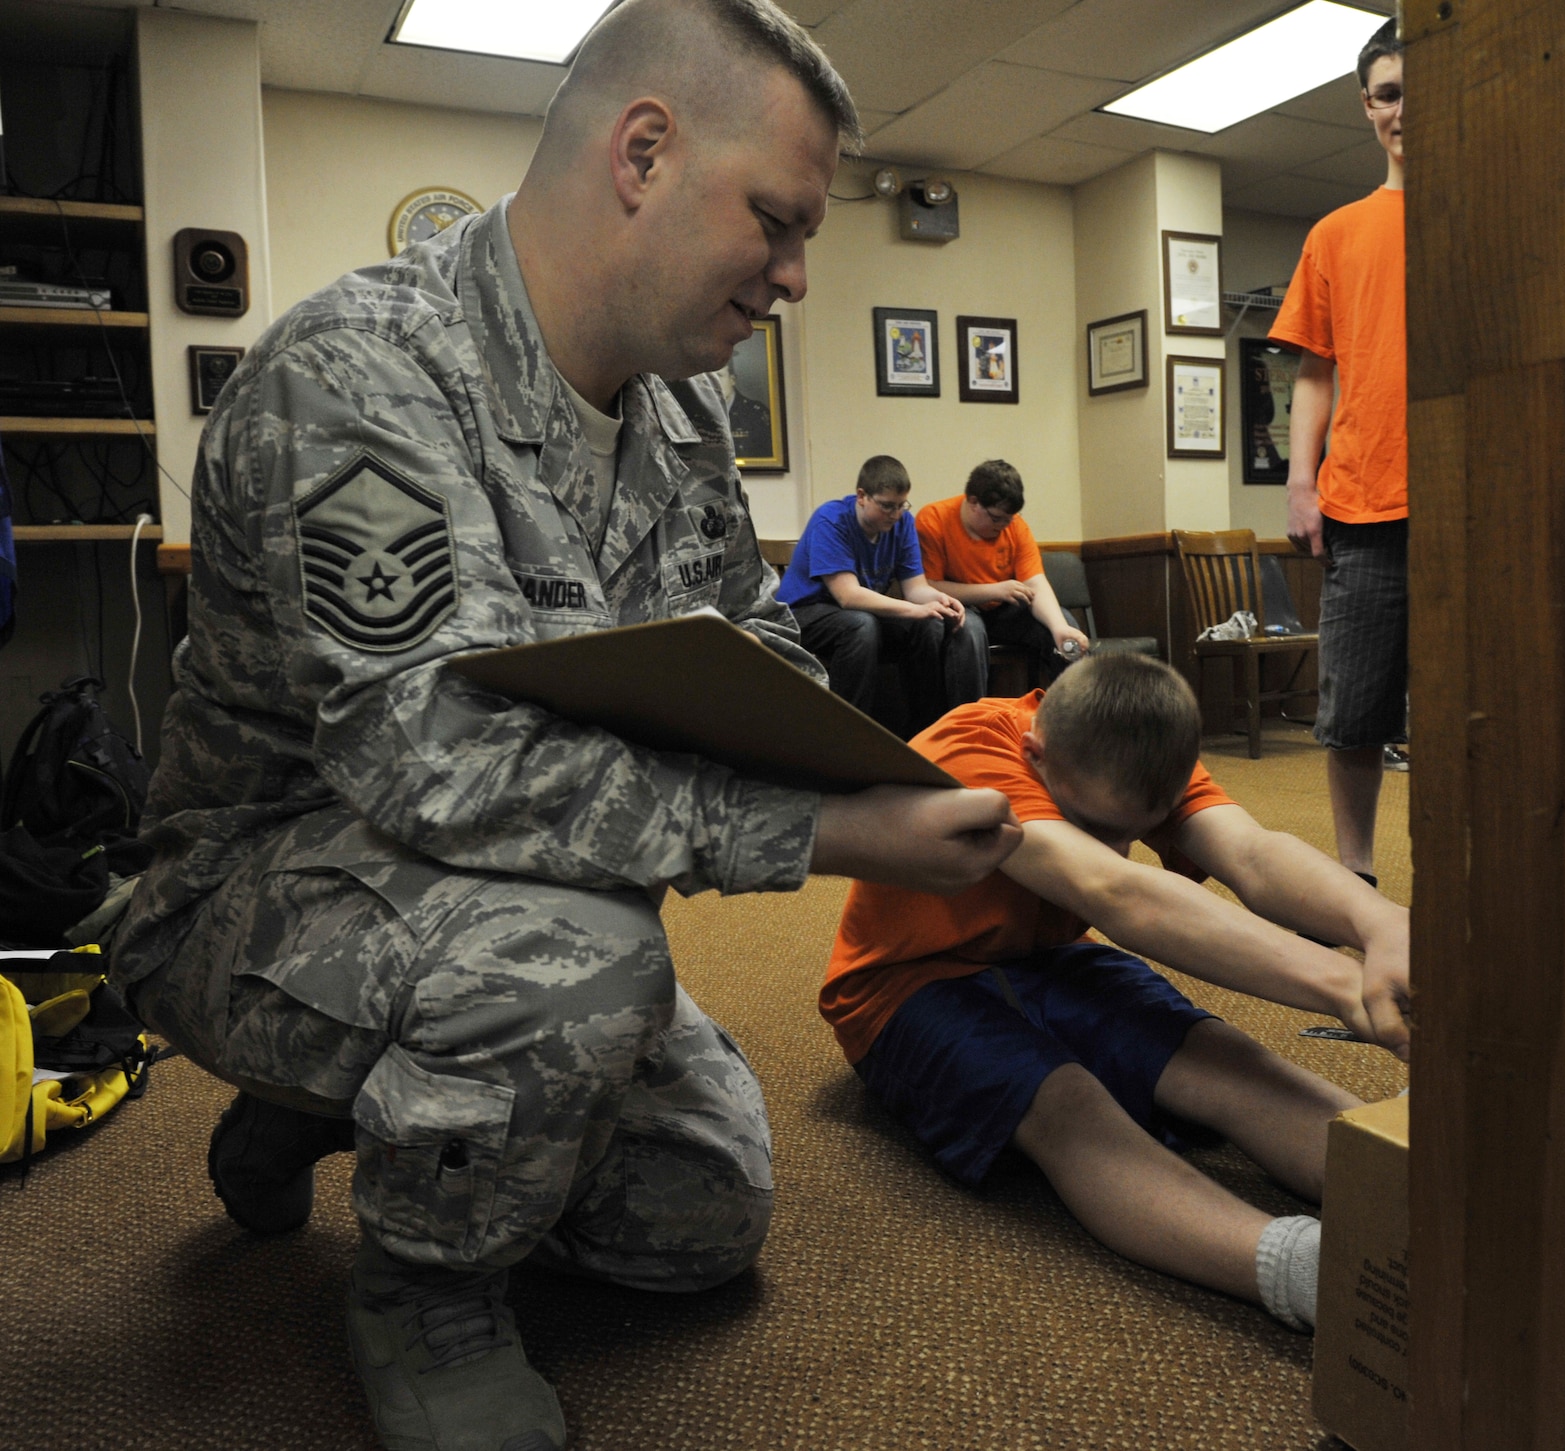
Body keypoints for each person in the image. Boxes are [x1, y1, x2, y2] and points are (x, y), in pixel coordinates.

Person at [108, 6, 1022, 1450]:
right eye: (778, 222)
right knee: (580, 969)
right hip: (264, 876)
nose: (794, 276)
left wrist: (883, 763)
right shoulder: (355, 376)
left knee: (702, 1214)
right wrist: (822, 829)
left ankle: (350, 1102)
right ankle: (423, 1292)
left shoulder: (681, 414)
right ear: (643, 153)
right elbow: (436, 759)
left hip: (508, 885)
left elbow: (750, 642)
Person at [819, 653, 1410, 1330]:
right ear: (1036, 754)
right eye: (1094, 826)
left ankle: (1417, 1184)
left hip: (1052, 954)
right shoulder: (973, 749)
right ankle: (1312, 1272)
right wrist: (1344, 985)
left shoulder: (1134, 748)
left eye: (1132, 829)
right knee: (1068, 1102)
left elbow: (1251, 853)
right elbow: (1114, 890)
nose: (1118, 843)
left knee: (1225, 1055)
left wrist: (1380, 923)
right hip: (904, 985)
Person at [1271, 18, 1409, 884]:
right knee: (1353, 714)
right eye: (1391, 93)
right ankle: (1356, 887)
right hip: (1363, 505)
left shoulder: (1498, 215)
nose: (1406, 109)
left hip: (1478, 506)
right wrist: (1299, 482)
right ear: (1367, 107)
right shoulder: (1335, 233)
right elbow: (1315, 376)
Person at [777, 455, 982, 734]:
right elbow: (847, 596)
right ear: (862, 496)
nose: (895, 514)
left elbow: (915, 589)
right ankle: (848, 733)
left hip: (856, 615)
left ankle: (924, 731)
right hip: (804, 614)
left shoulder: (902, 523)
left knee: (930, 622)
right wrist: (913, 609)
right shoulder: (832, 519)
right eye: (887, 506)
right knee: (861, 625)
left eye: (901, 506)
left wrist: (939, 601)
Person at [914, 458, 1091, 689]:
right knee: (968, 631)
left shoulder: (1014, 525)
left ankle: (1078, 714)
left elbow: (1036, 583)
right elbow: (930, 585)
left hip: (1004, 610)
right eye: (996, 518)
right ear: (973, 502)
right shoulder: (934, 519)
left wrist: (1059, 627)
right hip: (959, 606)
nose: (1003, 526)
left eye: (1009, 519)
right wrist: (996, 590)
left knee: (1062, 623)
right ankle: (970, 720)